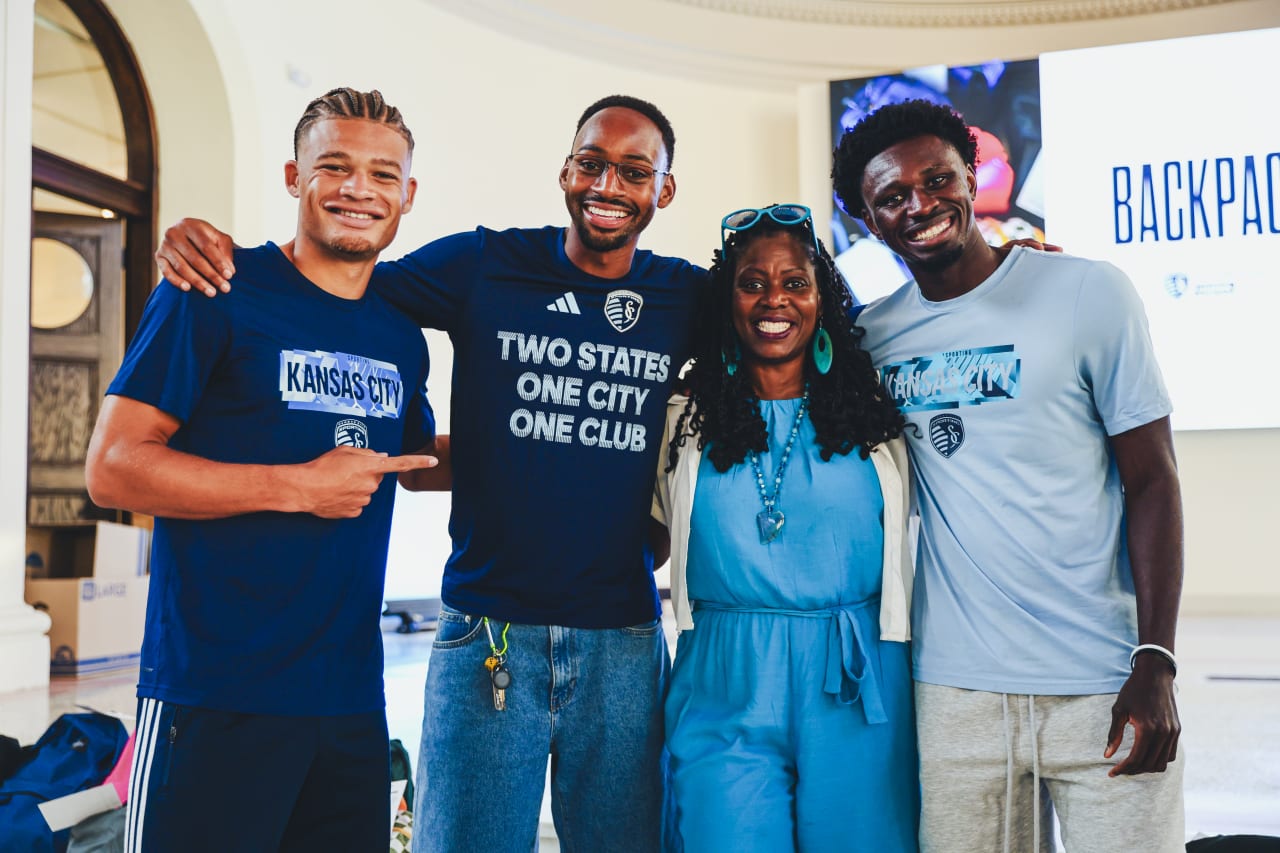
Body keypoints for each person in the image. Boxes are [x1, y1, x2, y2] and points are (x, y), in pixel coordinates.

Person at [151, 95, 701, 852]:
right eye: (592, 163)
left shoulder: (687, 295)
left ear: (662, 189)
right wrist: (202, 245)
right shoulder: (483, 264)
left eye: (634, 171)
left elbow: (787, 312)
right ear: (566, 171)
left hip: (626, 638)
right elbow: (339, 271)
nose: (609, 184)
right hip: (485, 630)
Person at [84, 88, 438, 852]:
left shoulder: (402, 335)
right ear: (293, 175)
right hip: (213, 694)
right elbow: (112, 468)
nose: (357, 189)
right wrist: (298, 485)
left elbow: (418, 460)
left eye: (382, 175)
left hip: (348, 701)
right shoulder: (214, 287)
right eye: (334, 167)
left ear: (407, 195)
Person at [831, 99, 1185, 852]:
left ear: (973, 177)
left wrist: (1156, 659)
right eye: (892, 197)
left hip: (1102, 679)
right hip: (954, 693)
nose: (920, 204)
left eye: (937, 179)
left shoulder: (1090, 293)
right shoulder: (871, 339)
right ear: (869, 221)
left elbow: (1153, 480)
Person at [653, 205, 919, 851]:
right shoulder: (683, 418)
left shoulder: (879, 411)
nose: (775, 299)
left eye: (795, 282)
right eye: (753, 282)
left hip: (857, 673)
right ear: (728, 298)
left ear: (822, 298)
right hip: (725, 673)